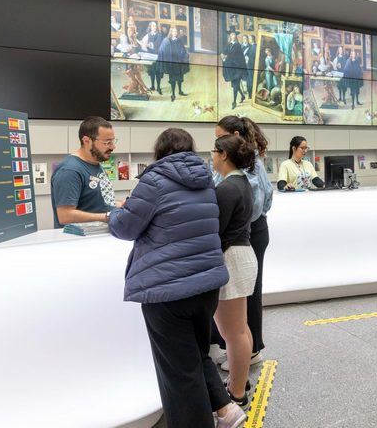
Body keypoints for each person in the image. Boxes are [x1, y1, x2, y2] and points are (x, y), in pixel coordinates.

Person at [107, 128, 246, 428]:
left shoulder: (154, 181)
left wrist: (111, 215)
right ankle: (224, 409)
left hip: (168, 291)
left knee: (179, 378)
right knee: (194, 356)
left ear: (160, 150)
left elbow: (126, 227)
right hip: (205, 287)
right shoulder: (207, 182)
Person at [212, 116, 273, 374]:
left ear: (235, 135)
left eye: (220, 138)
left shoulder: (250, 166)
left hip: (246, 232)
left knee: (246, 292)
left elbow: (259, 204)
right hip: (248, 230)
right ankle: (236, 346)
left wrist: (236, 219)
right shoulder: (250, 162)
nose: (216, 146)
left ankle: (251, 350)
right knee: (238, 294)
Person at [211, 135, 259, 408]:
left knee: (233, 332)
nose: (212, 157)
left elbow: (217, 231)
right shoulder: (241, 183)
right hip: (241, 256)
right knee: (239, 328)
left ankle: (237, 392)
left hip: (232, 259)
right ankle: (240, 380)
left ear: (224, 155)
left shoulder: (227, 188)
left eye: (215, 152)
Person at [50, 117, 120, 229]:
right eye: (107, 142)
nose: (113, 147)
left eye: (113, 141)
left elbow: (98, 202)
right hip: (79, 240)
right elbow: (65, 216)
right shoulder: (69, 171)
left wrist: (121, 205)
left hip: (97, 236)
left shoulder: (96, 164)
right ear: (87, 141)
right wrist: (107, 216)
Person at [156, 27, 190, 102]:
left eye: (176, 31)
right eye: (173, 31)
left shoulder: (178, 40)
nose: (175, 33)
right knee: (173, 80)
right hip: (172, 64)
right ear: (170, 32)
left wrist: (184, 54)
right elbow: (162, 50)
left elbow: (183, 49)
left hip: (179, 63)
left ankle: (180, 91)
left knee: (180, 78)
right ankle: (173, 94)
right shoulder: (167, 41)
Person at [221, 31, 247, 109]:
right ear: (230, 36)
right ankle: (242, 96)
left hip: (237, 68)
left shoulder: (238, 45)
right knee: (235, 85)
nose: (233, 36)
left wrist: (228, 58)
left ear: (236, 36)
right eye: (232, 35)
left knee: (235, 85)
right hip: (231, 69)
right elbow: (223, 53)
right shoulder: (229, 44)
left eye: (234, 35)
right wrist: (223, 56)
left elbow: (240, 58)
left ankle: (234, 102)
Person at [139, 21, 164, 94]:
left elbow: (159, 45)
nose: (154, 27)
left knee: (158, 72)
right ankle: (153, 85)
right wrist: (145, 45)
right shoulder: (148, 35)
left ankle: (158, 87)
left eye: (155, 26)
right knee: (152, 72)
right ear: (150, 27)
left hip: (157, 56)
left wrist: (151, 46)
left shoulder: (160, 35)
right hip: (150, 56)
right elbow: (144, 43)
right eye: (153, 26)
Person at [242, 34, 257, 99]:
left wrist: (248, 59)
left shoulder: (254, 47)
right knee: (248, 80)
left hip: (251, 66)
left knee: (251, 80)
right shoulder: (250, 47)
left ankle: (252, 95)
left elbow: (254, 58)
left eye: (249, 39)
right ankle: (250, 95)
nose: (248, 40)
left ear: (252, 39)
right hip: (247, 66)